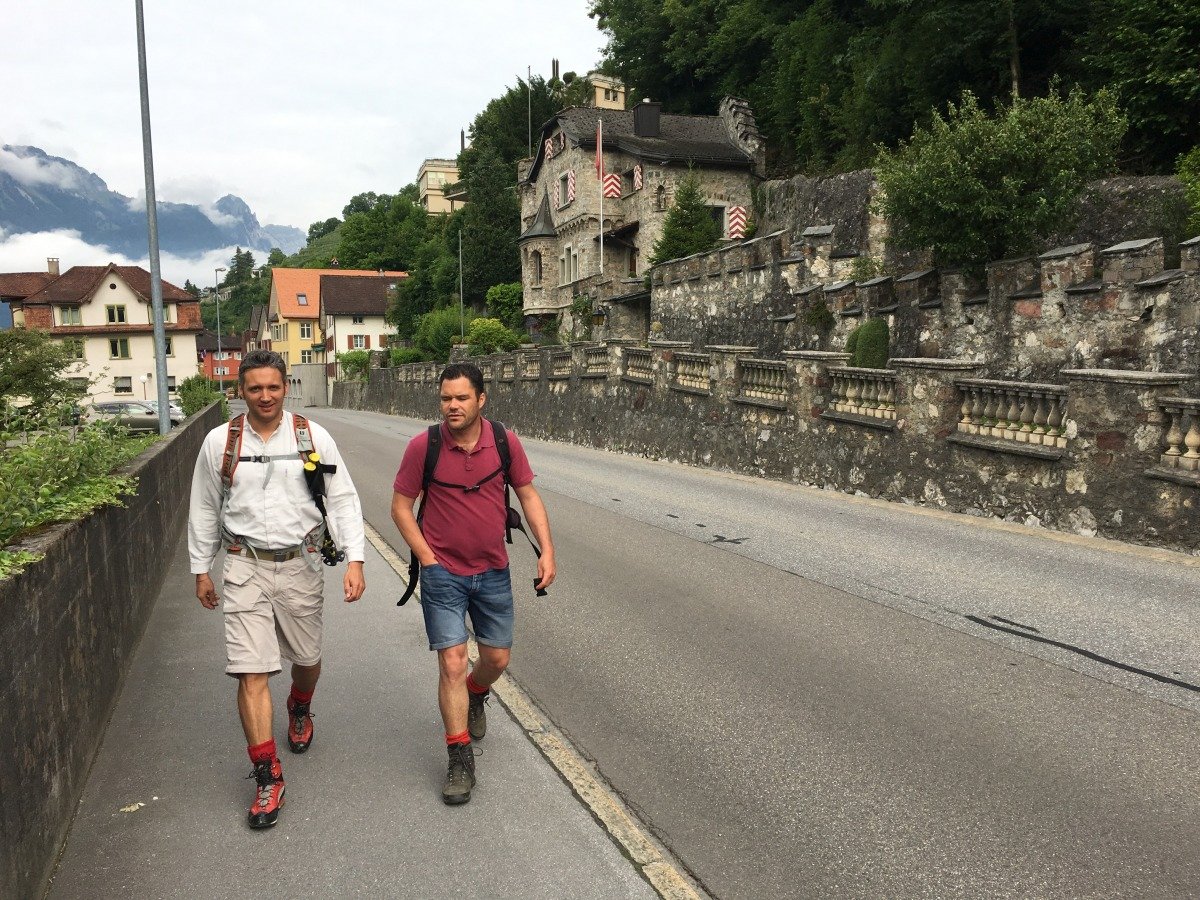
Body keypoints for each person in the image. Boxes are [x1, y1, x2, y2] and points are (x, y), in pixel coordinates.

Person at [188, 350, 366, 829]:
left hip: (300, 564)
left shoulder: (312, 437)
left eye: (272, 387)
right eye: (254, 388)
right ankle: (268, 776)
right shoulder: (219, 442)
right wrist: (201, 568)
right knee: (251, 671)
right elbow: (204, 506)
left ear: (286, 387)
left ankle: (300, 705)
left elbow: (342, 499)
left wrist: (355, 559)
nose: (264, 396)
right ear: (240, 391)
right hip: (243, 565)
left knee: (307, 659)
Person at [391, 362, 555, 805]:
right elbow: (401, 507)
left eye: (462, 397)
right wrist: (428, 559)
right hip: (443, 574)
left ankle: (476, 693)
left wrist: (546, 550)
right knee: (452, 663)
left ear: (481, 399)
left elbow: (528, 495)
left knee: (497, 659)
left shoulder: (504, 442)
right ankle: (459, 757)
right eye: (446, 398)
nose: (453, 405)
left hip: (493, 570)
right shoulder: (423, 447)